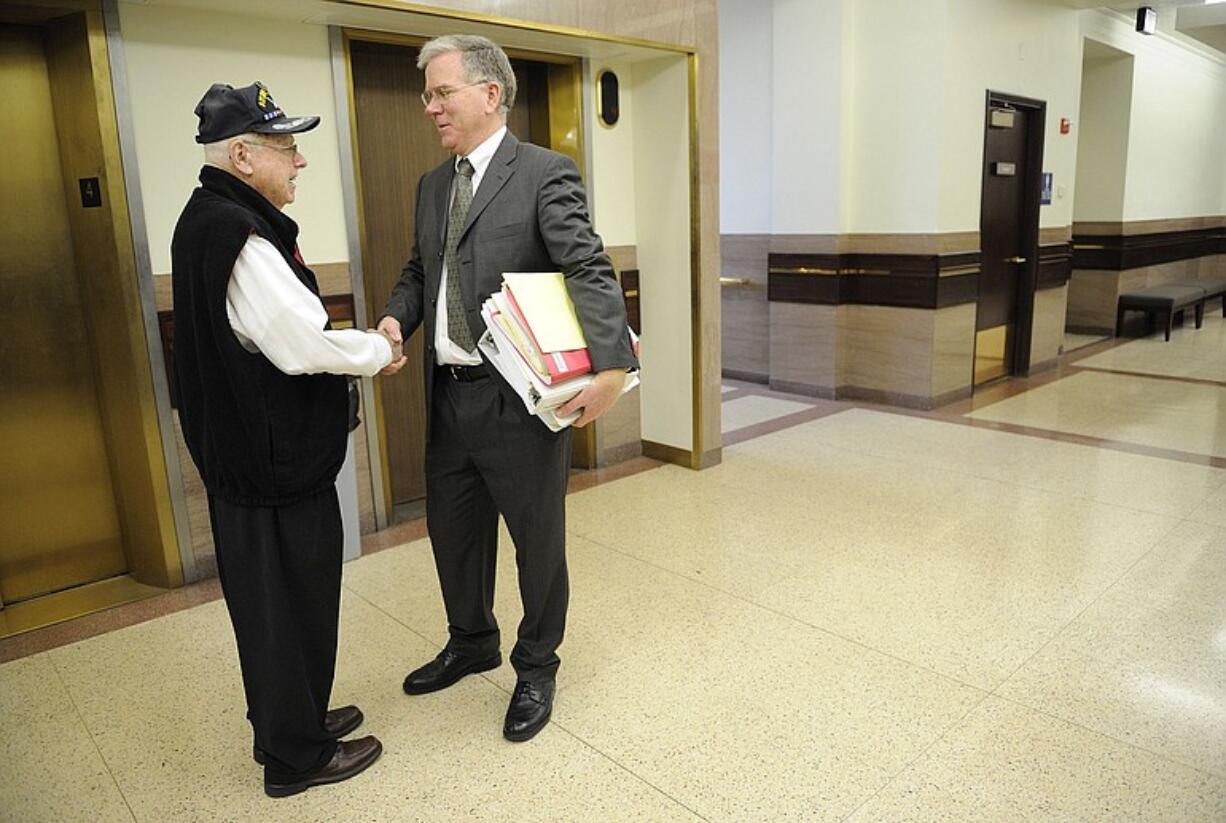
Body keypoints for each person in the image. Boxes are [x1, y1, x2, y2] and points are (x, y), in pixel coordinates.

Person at [378, 34, 638, 743]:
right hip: (448, 397)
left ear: (490, 94)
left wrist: (612, 367)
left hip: (520, 401)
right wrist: (396, 318)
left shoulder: (544, 173)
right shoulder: (433, 185)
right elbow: (417, 271)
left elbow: (586, 266)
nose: (429, 107)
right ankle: (471, 640)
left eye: (442, 92)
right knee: (455, 534)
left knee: (536, 542)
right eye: (427, 95)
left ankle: (536, 662)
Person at [171, 81, 391, 797]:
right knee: (284, 609)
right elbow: (300, 345)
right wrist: (376, 352)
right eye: (285, 147)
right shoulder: (236, 233)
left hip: (256, 464)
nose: (298, 162)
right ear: (243, 155)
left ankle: (297, 719)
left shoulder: (215, 216)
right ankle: (296, 757)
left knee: (286, 606)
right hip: (266, 471)